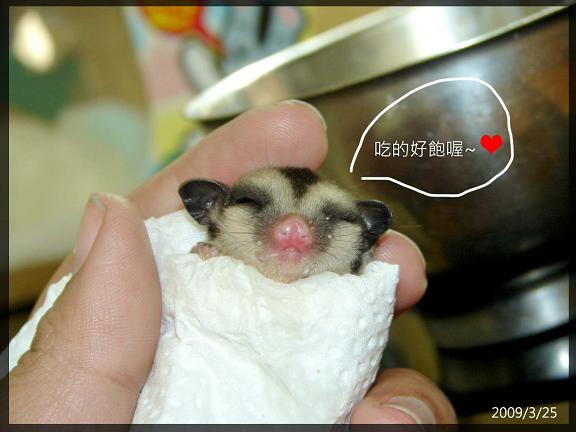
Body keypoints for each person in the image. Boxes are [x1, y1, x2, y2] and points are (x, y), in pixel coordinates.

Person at [8, 101, 456, 424]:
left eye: (331, 219)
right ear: (209, 211)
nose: (294, 229)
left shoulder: (348, 304)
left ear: (364, 237)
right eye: (254, 205)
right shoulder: (184, 265)